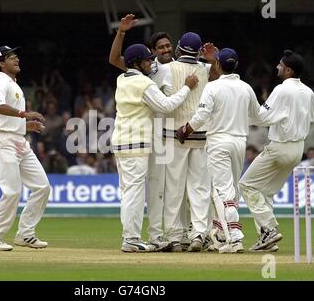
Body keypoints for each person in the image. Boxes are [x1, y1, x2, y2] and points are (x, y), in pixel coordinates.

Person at [238, 50, 314, 252]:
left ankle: (269, 229)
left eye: (280, 65)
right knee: (266, 192)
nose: (277, 67)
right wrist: (298, 117)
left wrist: (244, 115)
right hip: (297, 150)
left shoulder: (281, 89)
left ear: (288, 70)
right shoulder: (307, 91)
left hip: (279, 148)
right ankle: (266, 240)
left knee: (247, 185)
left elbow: (263, 117)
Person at [112, 43, 198, 252]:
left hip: (121, 142)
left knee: (128, 191)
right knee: (134, 192)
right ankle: (131, 239)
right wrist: (187, 87)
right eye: (147, 60)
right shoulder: (144, 83)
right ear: (137, 63)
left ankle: (132, 237)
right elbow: (167, 105)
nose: (151, 63)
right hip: (136, 143)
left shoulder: (121, 79)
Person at [176, 48, 261, 253]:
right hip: (239, 141)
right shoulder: (246, 88)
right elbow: (257, 115)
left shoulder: (212, 87)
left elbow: (202, 114)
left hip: (218, 142)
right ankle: (221, 235)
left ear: (217, 65)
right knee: (231, 190)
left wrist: (186, 129)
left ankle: (234, 237)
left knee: (223, 190)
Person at [108, 14, 174, 250]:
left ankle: (151, 237)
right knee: (134, 191)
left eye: (168, 46)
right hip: (140, 139)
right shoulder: (144, 74)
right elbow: (115, 58)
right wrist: (122, 32)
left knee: (142, 191)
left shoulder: (126, 78)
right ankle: (132, 239)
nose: (163, 51)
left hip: (142, 138)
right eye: (159, 49)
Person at [150, 32, 217, 252]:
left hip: (173, 136)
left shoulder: (165, 69)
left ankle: (175, 236)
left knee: (174, 189)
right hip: (200, 135)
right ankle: (199, 233)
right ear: (197, 51)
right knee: (199, 188)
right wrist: (212, 59)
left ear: (179, 49)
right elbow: (219, 75)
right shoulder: (206, 69)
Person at [0, 45, 51, 251]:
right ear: (1, 63)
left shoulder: (14, 84)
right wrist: (24, 115)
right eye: (11, 57)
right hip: (4, 142)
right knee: (12, 191)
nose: (16, 59)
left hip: (19, 140)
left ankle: (25, 234)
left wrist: (25, 125)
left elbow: (7, 118)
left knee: (42, 187)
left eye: (16, 56)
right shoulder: (0, 82)